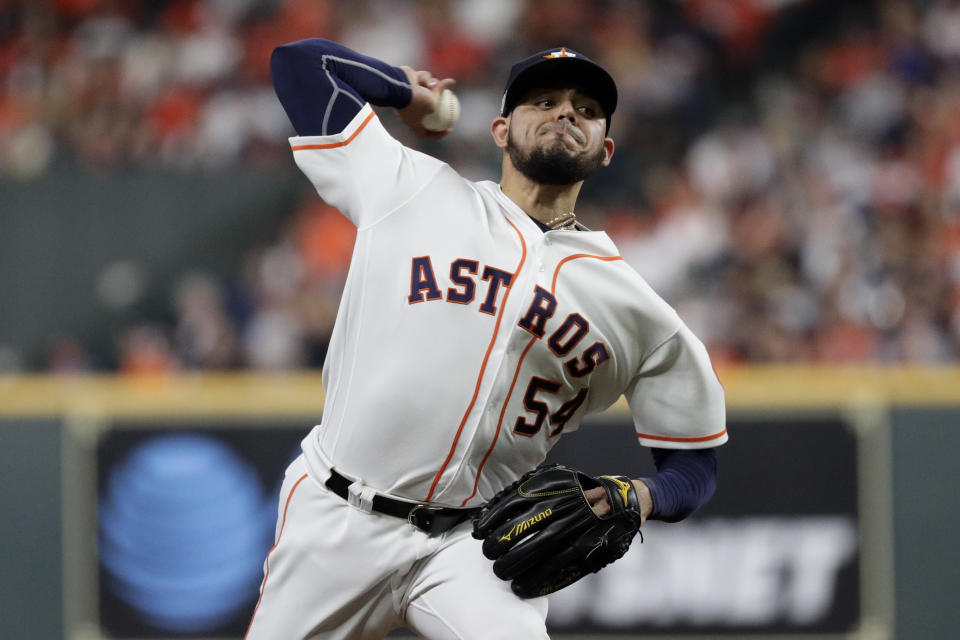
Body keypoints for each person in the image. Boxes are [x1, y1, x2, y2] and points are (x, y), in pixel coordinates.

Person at [245, 38, 727, 640]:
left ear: (605, 150)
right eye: (542, 101)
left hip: (474, 546)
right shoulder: (410, 189)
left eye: (584, 108)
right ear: (501, 130)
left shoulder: (637, 310)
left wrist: (639, 496)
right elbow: (298, 64)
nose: (565, 112)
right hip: (337, 515)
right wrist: (407, 90)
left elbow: (694, 464)